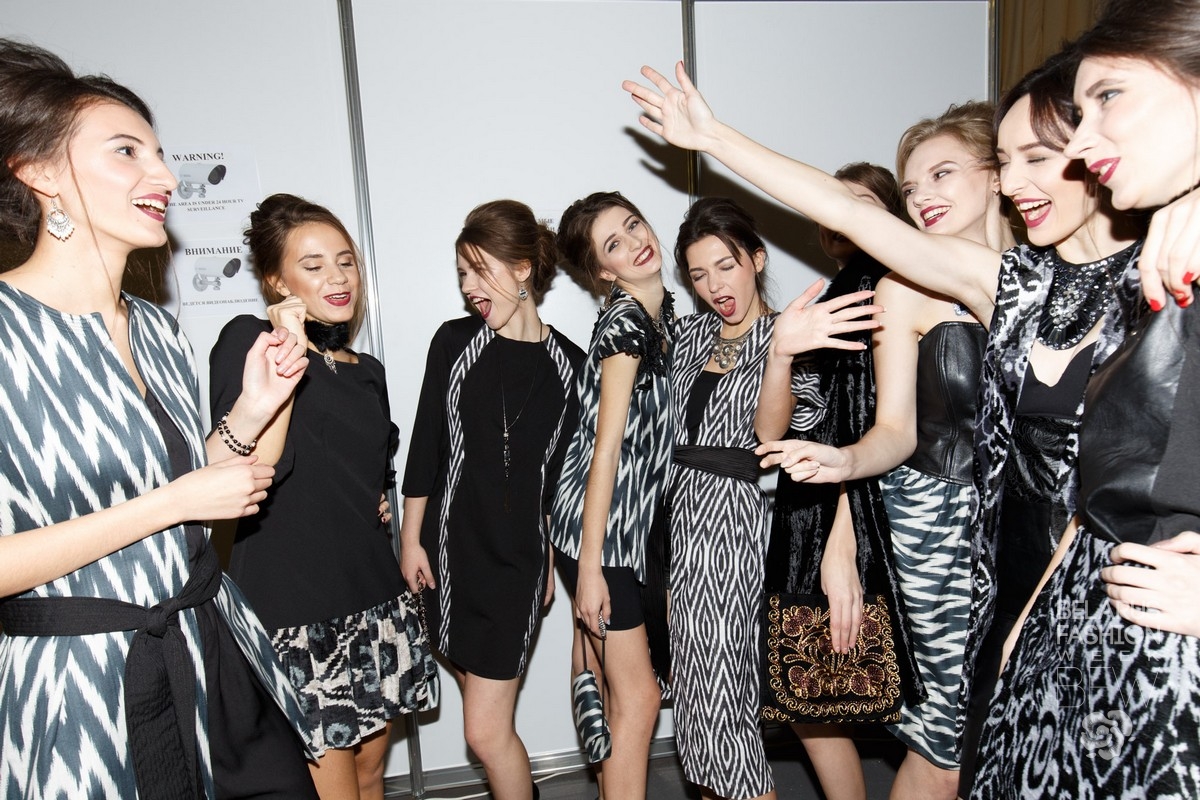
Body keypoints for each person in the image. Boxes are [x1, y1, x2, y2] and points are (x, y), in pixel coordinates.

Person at [621, 58, 1177, 799]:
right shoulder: (1015, 289)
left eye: (1035, 159)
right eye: (1008, 160)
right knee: (962, 750)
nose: (1019, 180)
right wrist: (714, 137)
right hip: (985, 554)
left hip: (1104, 569)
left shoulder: (1163, 268)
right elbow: (853, 215)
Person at [0, 39, 319, 798]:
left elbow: (188, 489)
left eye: (160, 153)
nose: (166, 176)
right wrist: (172, 503)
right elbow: (167, 503)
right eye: (126, 151)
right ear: (40, 172)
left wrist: (252, 409)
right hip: (85, 692)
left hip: (215, 655)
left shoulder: (154, 326)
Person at [971, 1, 1200, 794]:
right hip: (1091, 642)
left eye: (1109, 97)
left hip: (1166, 689)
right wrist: (1032, 623)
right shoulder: (1172, 248)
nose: (1081, 142)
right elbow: (1101, 497)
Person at [210, 193, 438, 800]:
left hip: (372, 595)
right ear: (275, 280)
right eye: (312, 265)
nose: (337, 278)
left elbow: (370, 472)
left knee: (370, 774)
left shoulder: (366, 369)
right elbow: (257, 466)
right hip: (295, 609)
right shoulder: (248, 343)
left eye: (345, 261)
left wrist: (378, 500)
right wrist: (287, 348)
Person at [667, 196, 882, 800]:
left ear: (756, 259)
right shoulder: (691, 336)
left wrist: (782, 353)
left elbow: (780, 432)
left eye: (726, 265)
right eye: (699, 274)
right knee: (706, 698)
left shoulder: (794, 332)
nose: (715, 285)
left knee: (800, 698)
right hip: (689, 530)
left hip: (757, 524)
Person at [399, 199, 585, 800]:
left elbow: (563, 481)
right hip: (446, 554)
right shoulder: (454, 343)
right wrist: (409, 540)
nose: (468, 287)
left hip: (517, 565)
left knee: (483, 732)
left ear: (523, 268)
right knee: (484, 714)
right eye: (461, 273)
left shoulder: (572, 366)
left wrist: (550, 557)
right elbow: (425, 447)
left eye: (480, 270)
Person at [549, 191, 674, 800]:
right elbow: (605, 451)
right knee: (639, 699)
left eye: (633, 225)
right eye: (614, 245)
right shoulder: (625, 326)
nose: (636, 242)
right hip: (602, 535)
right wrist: (592, 569)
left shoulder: (661, 316)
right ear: (603, 271)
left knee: (621, 697)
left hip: (623, 532)